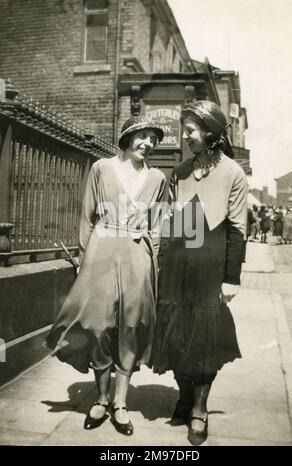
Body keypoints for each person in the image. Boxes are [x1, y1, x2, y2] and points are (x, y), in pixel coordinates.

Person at [46, 116, 166, 436]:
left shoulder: (157, 178)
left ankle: (120, 403)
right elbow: (87, 215)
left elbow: (157, 224)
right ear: (127, 137)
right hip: (102, 248)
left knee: (130, 326)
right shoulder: (101, 168)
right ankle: (100, 398)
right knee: (98, 325)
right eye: (142, 136)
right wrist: (85, 258)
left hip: (137, 253)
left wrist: (152, 264)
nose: (148, 143)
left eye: (153, 139)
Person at [151, 101, 248, 446]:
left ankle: (200, 409)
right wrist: (161, 262)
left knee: (204, 340)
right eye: (184, 130)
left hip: (210, 262)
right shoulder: (179, 172)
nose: (185, 137)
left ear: (210, 133)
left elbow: (237, 229)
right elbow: (170, 226)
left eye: (190, 130)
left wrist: (231, 277)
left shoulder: (233, 173)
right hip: (177, 263)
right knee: (176, 334)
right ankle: (184, 396)